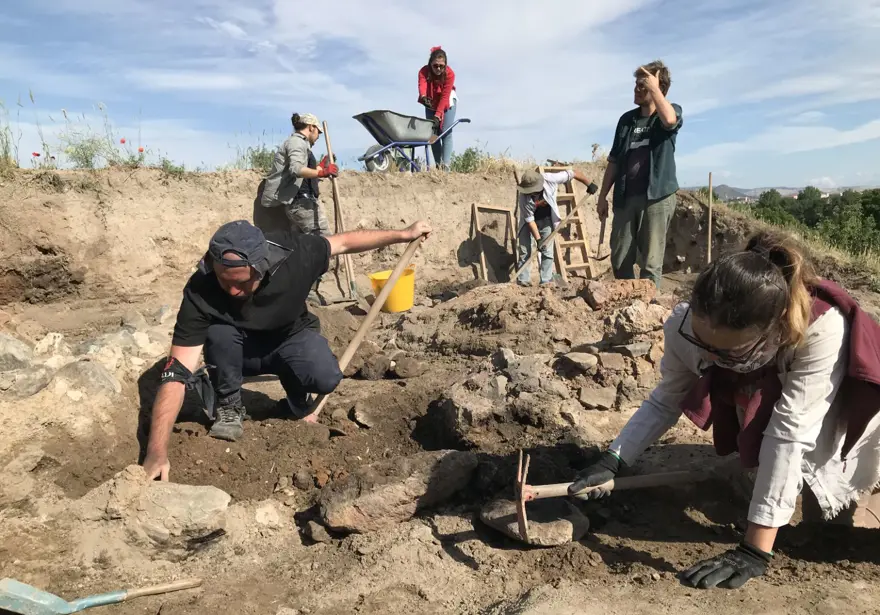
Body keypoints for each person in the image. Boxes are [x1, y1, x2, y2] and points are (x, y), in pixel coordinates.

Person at [568, 230, 880, 590]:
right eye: (704, 345)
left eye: (728, 353)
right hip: (781, 396)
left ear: (771, 332)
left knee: (827, 509)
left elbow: (790, 433)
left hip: (847, 411)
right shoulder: (685, 325)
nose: (709, 358)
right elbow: (666, 397)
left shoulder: (819, 329)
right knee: (775, 472)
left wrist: (754, 549)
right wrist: (613, 460)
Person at [142, 218, 432, 481]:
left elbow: (343, 242)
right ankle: (229, 404)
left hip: (288, 337)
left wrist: (404, 234)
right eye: (223, 281)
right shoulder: (200, 288)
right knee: (219, 332)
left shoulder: (296, 255)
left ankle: (295, 391)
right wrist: (156, 451)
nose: (232, 292)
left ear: (263, 266)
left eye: (242, 282)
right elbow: (176, 373)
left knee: (326, 377)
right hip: (237, 351)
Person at [596, 60, 683, 288]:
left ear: (658, 87)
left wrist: (655, 89)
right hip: (626, 197)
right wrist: (603, 195)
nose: (637, 89)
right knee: (620, 256)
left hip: (657, 198)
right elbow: (614, 160)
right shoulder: (627, 120)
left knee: (651, 261)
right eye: (636, 84)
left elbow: (670, 120)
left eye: (643, 85)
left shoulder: (670, 113)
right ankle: (626, 300)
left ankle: (648, 308)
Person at [257, 112, 338, 237]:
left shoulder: (301, 144)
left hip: (300, 203)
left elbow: (304, 173)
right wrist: (322, 172)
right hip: (302, 204)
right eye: (318, 132)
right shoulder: (297, 142)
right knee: (325, 241)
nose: (318, 136)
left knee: (304, 247)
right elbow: (297, 169)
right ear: (311, 127)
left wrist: (322, 165)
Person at [515, 167, 597, 286]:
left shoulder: (550, 179)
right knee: (525, 251)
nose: (532, 193)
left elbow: (573, 173)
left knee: (547, 251)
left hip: (546, 219)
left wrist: (589, 184)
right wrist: (538, 240)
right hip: (528, 222)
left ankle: (546, 281)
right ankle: (523, 281)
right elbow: (530, 220)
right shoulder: (523, 196)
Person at [418, 46, 457, 170]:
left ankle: (445, 167)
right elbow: (422, 85)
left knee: (445, 132)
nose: (439, 69)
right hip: (430, 101)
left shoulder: (450, 74)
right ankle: (439, 166)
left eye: (441, 66)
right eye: (435, 66)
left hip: (447, 101)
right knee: (433, 134)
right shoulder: (423, 71)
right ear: (430, 64)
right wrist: (423, 97)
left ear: (445, 65)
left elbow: (445, 97)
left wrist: (438, 115)